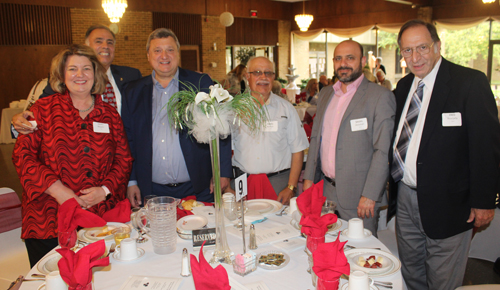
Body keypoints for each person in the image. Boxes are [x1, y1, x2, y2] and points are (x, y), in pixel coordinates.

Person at [388, 20, 500, 290]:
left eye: (422, 47)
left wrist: (484, 201)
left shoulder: (469, 83)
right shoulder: (404, 87)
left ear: (438, 46)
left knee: (442, 280)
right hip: (406, 199)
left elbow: (487, 146)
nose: (415, 57)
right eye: (407, 51)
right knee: (411, 272)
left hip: (449, 203)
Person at [12, 44, 133, 267]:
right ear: (61, 74)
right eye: (72, 69)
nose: (80, 75)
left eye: (86, 69)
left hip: (99, 221)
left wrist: (104, 191)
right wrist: (59, 191)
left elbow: (123, 160)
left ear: (96, 74)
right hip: (48, 220)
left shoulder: (109, 115)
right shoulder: (42, 109)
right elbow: (23, 156)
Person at [122, 28, 232, 207]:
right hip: (150, 190)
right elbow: (127, 140)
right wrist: (131, 181)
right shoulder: (132, 91)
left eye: (170, 50)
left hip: (199, 187)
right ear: (148, 55)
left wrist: (223, 172)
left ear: (178, 54)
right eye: (157, 50)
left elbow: (222, 127)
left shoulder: (200, 83)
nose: (164, 55)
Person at [303, 40, 396, 235]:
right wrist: (309, 180)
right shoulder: (327, 94)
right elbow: (316, 139)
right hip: (326, 191)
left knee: (360, 256)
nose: (343, 63)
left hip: (360, 196)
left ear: (362, 61)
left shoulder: (380, 96)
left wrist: (370, 194)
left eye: (350, 58)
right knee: (327, 250)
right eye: (338, 58)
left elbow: (383, 151)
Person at [12, 24, 142, 135]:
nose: (105, 46)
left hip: (125, 151)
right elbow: (37, 113)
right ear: (86, 46)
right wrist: (19, 121)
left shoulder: (131, 75)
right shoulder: (69, 79)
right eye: (98, 41)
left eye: (110, 42)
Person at [231, 56, 309, 205]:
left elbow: (298, 150)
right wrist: (227, 185)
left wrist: (291, 187)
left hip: (279, 184)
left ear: (273, 77)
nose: (263, 77)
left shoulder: (286, 109)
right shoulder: (234, 109)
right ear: (247, 76)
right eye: (257, 72)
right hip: (242, 185)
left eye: (268, 73)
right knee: (242, 226)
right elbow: (224, 149)